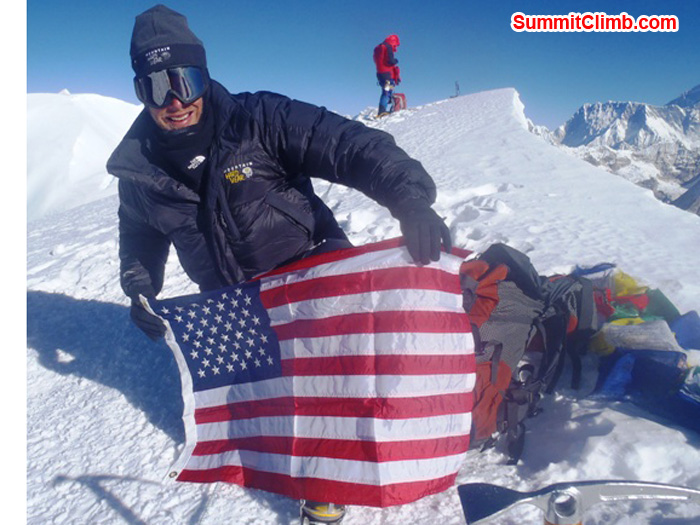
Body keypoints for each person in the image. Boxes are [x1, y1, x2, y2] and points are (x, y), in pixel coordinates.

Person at [107, 5, 450, 524]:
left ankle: (329, 478)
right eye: (155, 87)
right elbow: (139, 234)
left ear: (205, 76)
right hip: (236, 300)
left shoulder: (259, 119)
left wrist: (410, 201)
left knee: (336, 384)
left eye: (185, 79)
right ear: (140, 92)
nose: (174, 100)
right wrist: (139, 286)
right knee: (268, 404)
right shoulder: (139, 171)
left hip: (312, 278)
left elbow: (350, 146)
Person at [373, 34, 401, 116]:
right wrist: (396, 61)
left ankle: (384, 109)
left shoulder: (378, 48)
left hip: (380, 74)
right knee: (387, 92)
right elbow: (390, 61)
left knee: (386, 91)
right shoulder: (388, 47)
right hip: (388, 74)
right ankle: (382, 112)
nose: (396, 47)